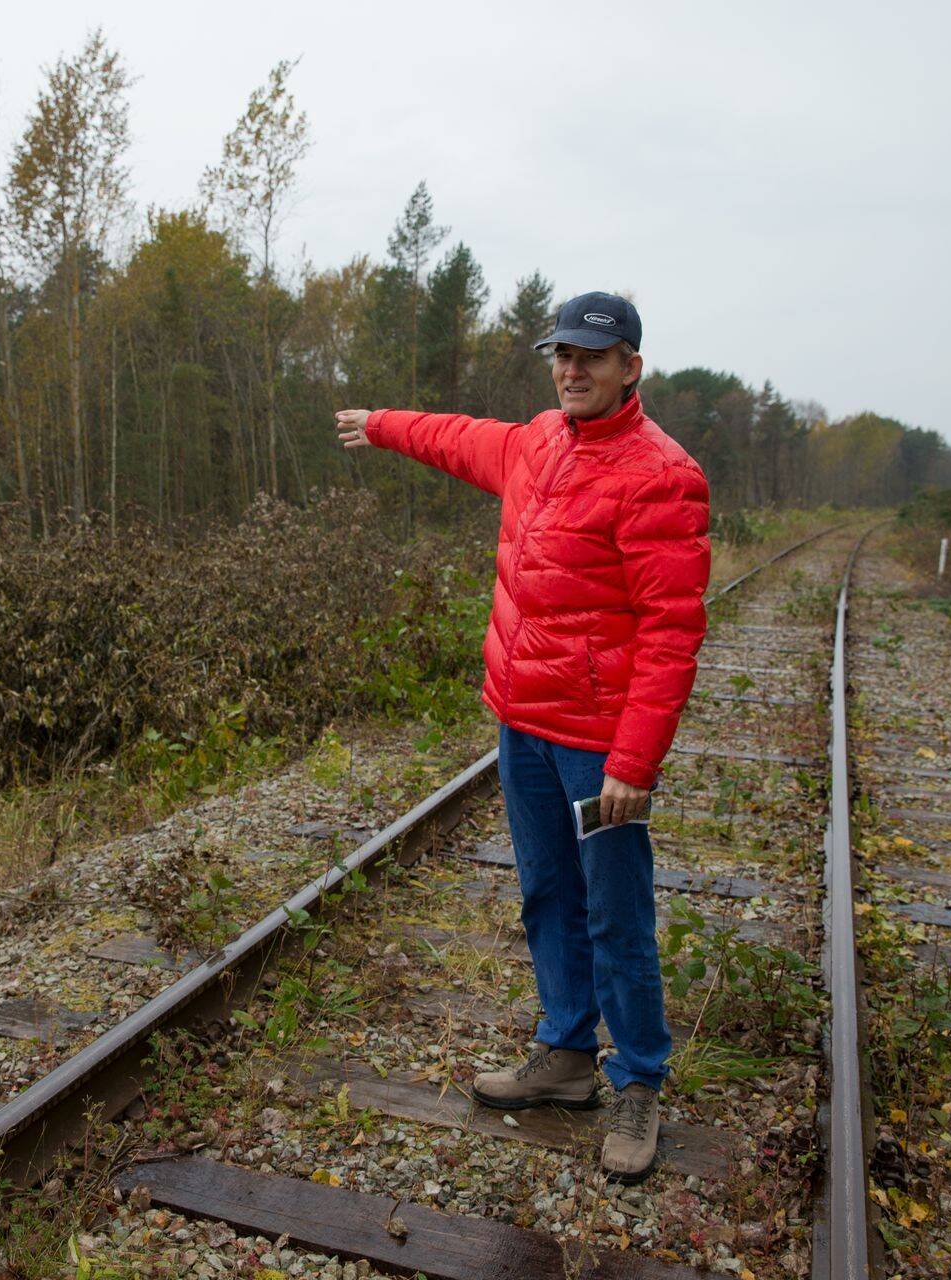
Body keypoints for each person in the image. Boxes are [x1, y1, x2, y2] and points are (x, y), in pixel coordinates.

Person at [334, 290, 709, 1182]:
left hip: (595, 748)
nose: (571, 370)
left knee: (617, 912)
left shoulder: (663, 475)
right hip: (524, 727)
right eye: (562, 355)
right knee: (546, 893)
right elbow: (459, 437)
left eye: (590, 356)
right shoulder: (538, 442)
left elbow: (671, 632)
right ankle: (567, 1056)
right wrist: (383, 423)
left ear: (630, 368)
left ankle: (639, 1082)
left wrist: (633, 761)